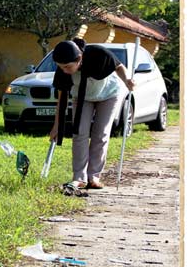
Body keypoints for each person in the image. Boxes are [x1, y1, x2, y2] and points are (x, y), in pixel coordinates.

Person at [49, 39, 136, 190]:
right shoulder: (63, 71)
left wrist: (128, 80)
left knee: (100, 133)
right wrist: (56, 126)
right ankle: (79, 177)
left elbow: (118, 66)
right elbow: (61, 100)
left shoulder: (98, 53)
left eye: (68, 67)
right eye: (61, 67)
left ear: (79, 58)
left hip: (109, 94)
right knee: (79, 132)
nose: (64, 70)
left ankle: (94, 176)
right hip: (82, 98)